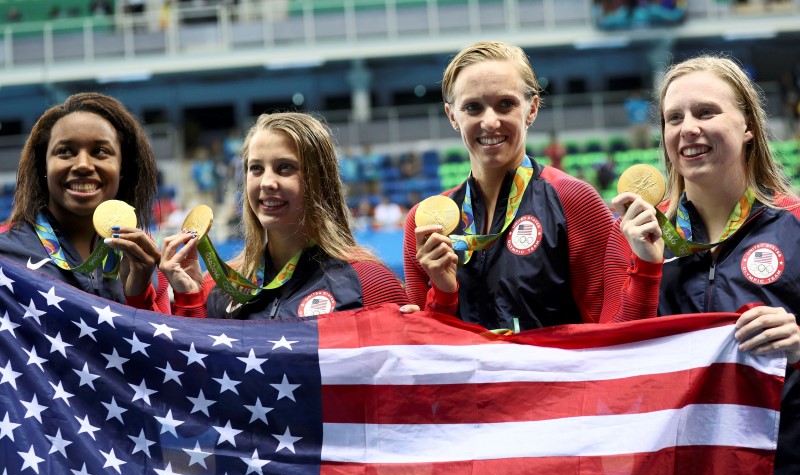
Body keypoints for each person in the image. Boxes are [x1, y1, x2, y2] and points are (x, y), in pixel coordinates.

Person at [611, 55, 800, 475]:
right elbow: (616, 368)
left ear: (748, 124)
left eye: (706, 112)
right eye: (673, 117)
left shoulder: (795, 223)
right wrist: (644, 267)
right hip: (674, 472)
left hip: (778, 469)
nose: (687, 128)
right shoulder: (639, 234)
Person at [403, 40, 659, 331]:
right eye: (473, 107)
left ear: (532, 108)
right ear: (452, 116)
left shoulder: (573, 200)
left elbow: (617, 330)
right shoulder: (426, 222)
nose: (489, 122)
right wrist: (444, 294)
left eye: (506, 104)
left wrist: (647, 268)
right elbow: (425, 350)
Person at [159, 112, 408, 319]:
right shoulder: (218, 288)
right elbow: (196, 374)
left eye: (284, 168)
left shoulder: (370, 282)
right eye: (256, 168)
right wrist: (190, 299)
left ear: (319, 180)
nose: (267, 182)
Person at [0, 92, 169, 312]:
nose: (83, 165)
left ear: (122, 168)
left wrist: (139, 296)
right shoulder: (5, 252)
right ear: (43, 166)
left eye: (100, 151)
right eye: (65, 151)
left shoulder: (145, 254)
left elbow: (162, 345)